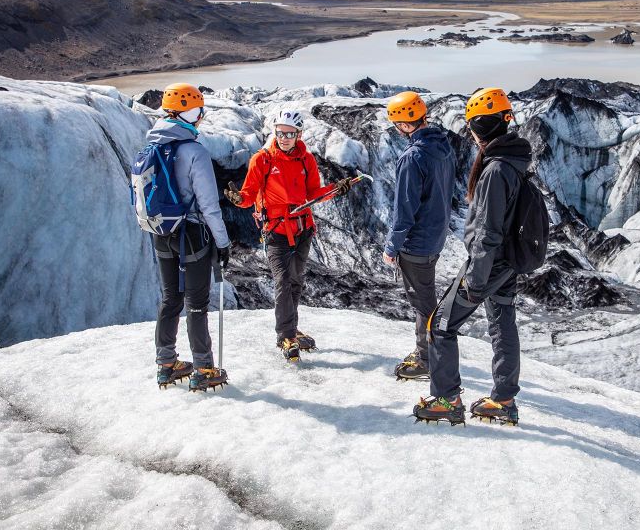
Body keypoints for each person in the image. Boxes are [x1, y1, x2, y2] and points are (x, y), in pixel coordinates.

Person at [412, 87, 531, 426]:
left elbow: (488, 231)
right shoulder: (514, 160)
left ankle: (448, 401)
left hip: (489, 264)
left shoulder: (495, 170)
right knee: (502, 323)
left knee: (441, 324)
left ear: (479, 127)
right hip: (508, 263)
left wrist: (475, 280)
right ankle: (504, 400)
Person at [225, 110, 354, 362]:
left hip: (302, 228)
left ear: (299, 134)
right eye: (280, 132)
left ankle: (291, 329)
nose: (284, 138)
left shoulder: (306, 160)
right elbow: (249, 195)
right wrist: (239, 199)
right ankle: (285, 335)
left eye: (290, 133)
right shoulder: (262, 160)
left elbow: (313, 192)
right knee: (283, 281)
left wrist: (335, 189)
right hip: (276, 230)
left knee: (295, 281)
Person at [149, 83, 232, 392]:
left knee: (171, 298)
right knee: (196, 303)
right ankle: (204, 368)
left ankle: (166, 364)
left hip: (161, 233)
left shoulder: (153, 147)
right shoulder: (194, 151)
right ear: (192, 113)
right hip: (193, 236)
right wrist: (222, 243)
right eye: (199, 111)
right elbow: (209, 207)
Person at [384, 91, 456, 381]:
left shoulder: (412, 157)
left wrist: (392, 246)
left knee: (422, 302)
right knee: (425, 298)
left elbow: (404, 210)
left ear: (404, 124)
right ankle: (427, 353)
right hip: (436, 236)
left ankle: (427, 359)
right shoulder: (443, 147)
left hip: (417, 242)